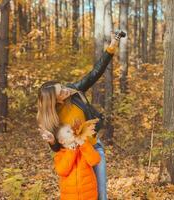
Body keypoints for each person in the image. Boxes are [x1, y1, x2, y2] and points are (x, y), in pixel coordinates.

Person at [37, 31, 122, 200]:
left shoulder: (74, 91)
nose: (66, 90)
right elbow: (57, 149)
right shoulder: (50, 118)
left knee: (101, 195)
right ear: (55, 101)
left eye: (62, 86)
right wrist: (52, 141)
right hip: (73, 157)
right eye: (61, 92)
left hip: (92, 148)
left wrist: (111, 47)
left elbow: (94, 74)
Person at [54, 122, 101, 199]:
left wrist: (83, 145)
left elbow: (95, 160)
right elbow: (62, 171)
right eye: (68, 131)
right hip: (70, 196)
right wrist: (71, 151)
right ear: (62, 141)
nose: (72, 132)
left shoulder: (83, 147)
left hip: (89, 195)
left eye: (71, 130)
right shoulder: (60, 155)